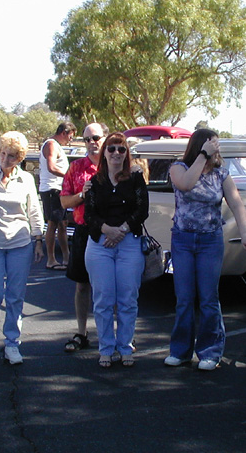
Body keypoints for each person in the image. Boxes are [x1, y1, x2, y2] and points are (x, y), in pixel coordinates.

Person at [163, 129, 246, 371]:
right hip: (183, 240)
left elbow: (236, 202)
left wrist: (245, 232)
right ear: (201, 146)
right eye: (212, 145)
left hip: (210, 241)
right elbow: (185, 185)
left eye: (217, 146)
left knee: (209, 298)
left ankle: (210, 352)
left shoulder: (222, 175)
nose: (217, 149)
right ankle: (180, 351)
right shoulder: (178, 168)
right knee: (184, 299)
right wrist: (202, 156)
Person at [0, 131, 44, 364]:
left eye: (13, 156)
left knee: (15, 296)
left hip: (20, 243)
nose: (6, 160)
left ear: (20, 158)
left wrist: (38, 239)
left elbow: (34, 209)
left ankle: (12, 342)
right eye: (3, 154)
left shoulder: (26, 179)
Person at [84, 132, 149, 368]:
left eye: (121, 150)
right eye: (111, 149)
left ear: (126, 154)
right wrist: (106, 230)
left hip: (129, 242)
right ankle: (106, 348)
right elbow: (88, 214)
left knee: (127, 299)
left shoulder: (135, 179)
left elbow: (142, 210)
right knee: (103, 299)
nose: (116, 154)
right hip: (100, 244)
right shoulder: (94, 181)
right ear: (104, 153)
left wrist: (120, 230)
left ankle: (125, 346)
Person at [60, 123, 107, 352]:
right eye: (87, 139)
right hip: (84, 231)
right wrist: (82, 194)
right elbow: (64, 201)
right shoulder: (76, 168)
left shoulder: (116, 164)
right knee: (82, 286)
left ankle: (116, 334)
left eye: (96, 137)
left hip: (110, 234)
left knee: (111, 287)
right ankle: (81, 333)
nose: (91, 142)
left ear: (104, 138)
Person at [39, 121, 75, 269]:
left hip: (57, 190)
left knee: (62, 224)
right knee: (53, 224)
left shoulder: (55, 145)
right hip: (52, 190)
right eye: (70, 136)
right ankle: (51, 260)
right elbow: (52, 167)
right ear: (64, 133)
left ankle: (66, 258)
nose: (70, 140)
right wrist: (69, 176)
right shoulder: (51, 145)